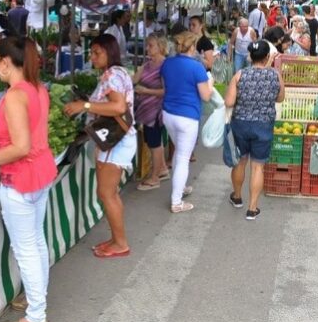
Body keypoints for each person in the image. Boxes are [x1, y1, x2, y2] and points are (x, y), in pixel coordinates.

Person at [0, 37, 57, 322]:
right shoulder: (37, 89)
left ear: (6, 63)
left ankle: (36, 315)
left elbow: (20, 147)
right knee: (37, 241)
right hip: (39, 173)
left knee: (26, 248)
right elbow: (21, 137)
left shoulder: (16, 95)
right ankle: (37, 299)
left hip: (20, 178)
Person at [63, 34, 137, 258]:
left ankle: (121, 243)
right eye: (91, 52)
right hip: (119, 139)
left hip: (116, 141)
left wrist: (84, 105)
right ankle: (116, 238)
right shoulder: (118, 72)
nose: (92, 56)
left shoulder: (112, 75)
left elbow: (117, 107)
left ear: (110, 52)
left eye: (98, 52)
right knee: (109, 193)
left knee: (106, 193)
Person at [224, 41, 285, 220]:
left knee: (240, 162)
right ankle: (252, 208)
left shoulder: (240, 75)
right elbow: (281, 98)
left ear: (250, 56)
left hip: (241, 124)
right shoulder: (275, 75)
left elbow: (228, 102)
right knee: (258, 167)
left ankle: (237, 197)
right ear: (267, 57)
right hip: (264, 125)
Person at [161, 32, 214, 213]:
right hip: (188, 116)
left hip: (168, 114)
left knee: (178, 151)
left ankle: (180, 186)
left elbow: (164, 86)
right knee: (183, 157)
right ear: (192, 47)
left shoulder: (167, 63)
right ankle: (176, 201)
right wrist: (211, 83)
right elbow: (206, 96)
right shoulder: (197, 67)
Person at [133, 35, 170, 191]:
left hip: (156, 110)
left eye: (151, 45)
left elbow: (166, 91)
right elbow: (133, 80)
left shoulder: (164, 66)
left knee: (154, 142)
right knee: (153, 141)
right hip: (146, 110)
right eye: (147, 45)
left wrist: (146, 91)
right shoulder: (146, 65)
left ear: (160, 47)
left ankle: (154, 178)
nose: (147, 48)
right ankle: (162, 169)